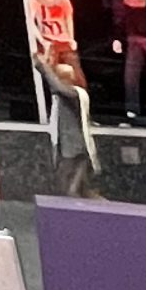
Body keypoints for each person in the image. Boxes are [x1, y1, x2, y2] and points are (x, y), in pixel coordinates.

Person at [39, 47, 103, 199]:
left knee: (69, 186)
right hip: (69, 146)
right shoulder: (62, 96)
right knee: (73, 187)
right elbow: (54, 86)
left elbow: (57, 86)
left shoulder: (74, 94)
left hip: (75, 146)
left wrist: (43, 67)